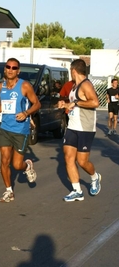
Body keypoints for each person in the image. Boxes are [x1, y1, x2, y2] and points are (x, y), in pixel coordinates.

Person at [0, 58, 41, 203]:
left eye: (14, 67)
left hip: (20, 130)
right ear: (5, 69)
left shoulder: (24, 86)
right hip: (5, 128)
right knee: (4, 161)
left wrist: (26, 114)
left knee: (17, 165)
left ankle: (27, 166)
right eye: (8, 67)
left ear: (18, 70)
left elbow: (37, 104)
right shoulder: (0, 86)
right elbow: (2, 105)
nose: (11, 69)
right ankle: (9, 190)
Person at [58, 59, 101, 202]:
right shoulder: (74, 86)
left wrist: (75, 102)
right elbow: (73, 105)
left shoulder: (86, 84)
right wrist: (65, 104)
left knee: (82, 162)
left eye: (71, 71)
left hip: (85, 128)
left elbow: (95, 102)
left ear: (74, 70)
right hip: (72, 127)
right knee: (68, 157)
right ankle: (77, 191)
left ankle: (95, 177)